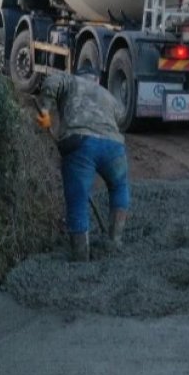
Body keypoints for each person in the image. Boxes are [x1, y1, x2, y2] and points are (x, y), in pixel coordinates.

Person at [37, 64, 131, 261]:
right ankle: (115, 241)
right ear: (96, 80)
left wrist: (45, 110)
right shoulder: (107, 94)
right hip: (113, 146)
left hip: (81, 144)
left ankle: (81, 257)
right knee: (119, 187)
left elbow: (52, 82)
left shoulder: (71, 81)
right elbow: (122, 117)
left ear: (78, 75)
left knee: (77, 198)